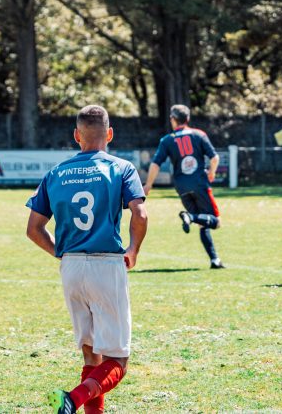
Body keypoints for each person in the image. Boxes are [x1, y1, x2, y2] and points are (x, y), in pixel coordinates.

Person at [26, 105, 148, 414]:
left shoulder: (56, 173)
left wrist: (61, 253)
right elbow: (140, 212)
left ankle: (79, 404)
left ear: (76, 136)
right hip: (107, 265)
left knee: (90, 355)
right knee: (117, 360)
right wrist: (132, 250)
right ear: (109, 134)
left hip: (71, 267)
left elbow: (34, 229)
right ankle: (73, 399)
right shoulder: (121, 167)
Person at [143, 104, 225, 269]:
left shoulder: (167, 140)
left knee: (204, 223)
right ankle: (191, 217)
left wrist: (149, 184)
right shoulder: (199, 135)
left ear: (173, 120)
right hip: (199, 183)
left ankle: (214, 260)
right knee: (215, 221)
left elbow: (155, 164)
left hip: (181, 186)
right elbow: (214, 158)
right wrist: (212, 172)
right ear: (188, 119)